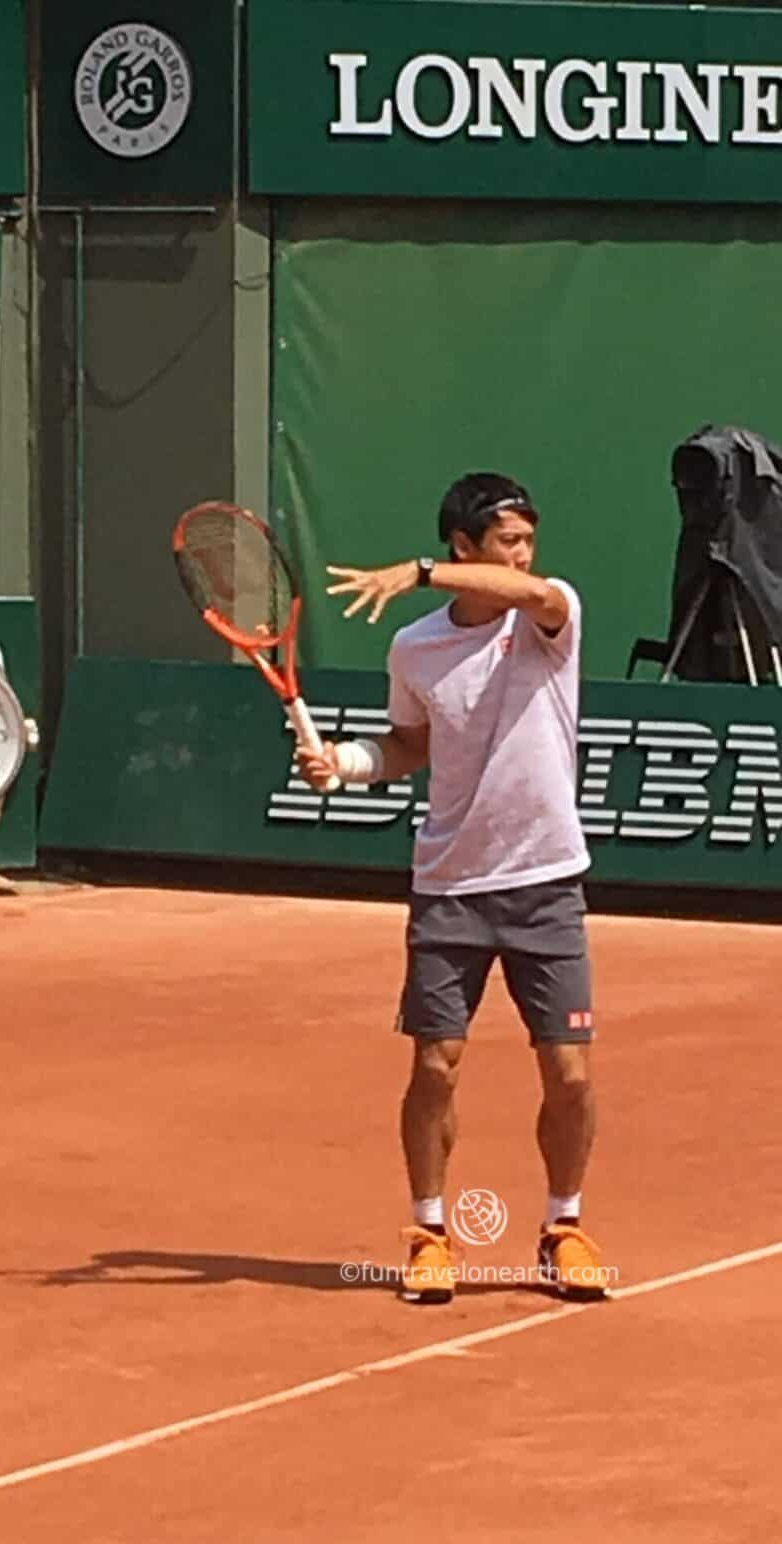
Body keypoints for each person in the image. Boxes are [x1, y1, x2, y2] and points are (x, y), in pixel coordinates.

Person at [296, 472, 609, 1306]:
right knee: (436, 1065)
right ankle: (429, 1233)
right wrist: (350, 764)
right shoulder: (415, 649)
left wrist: (420, 572)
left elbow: (530, 591)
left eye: (528, 540)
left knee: (570, 1073)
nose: (524, 556)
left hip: (547, 882)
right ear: (465, 544)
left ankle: (564, 1227)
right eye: (507, 540)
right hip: (450, 886)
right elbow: (409, 744)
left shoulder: (550, 616)